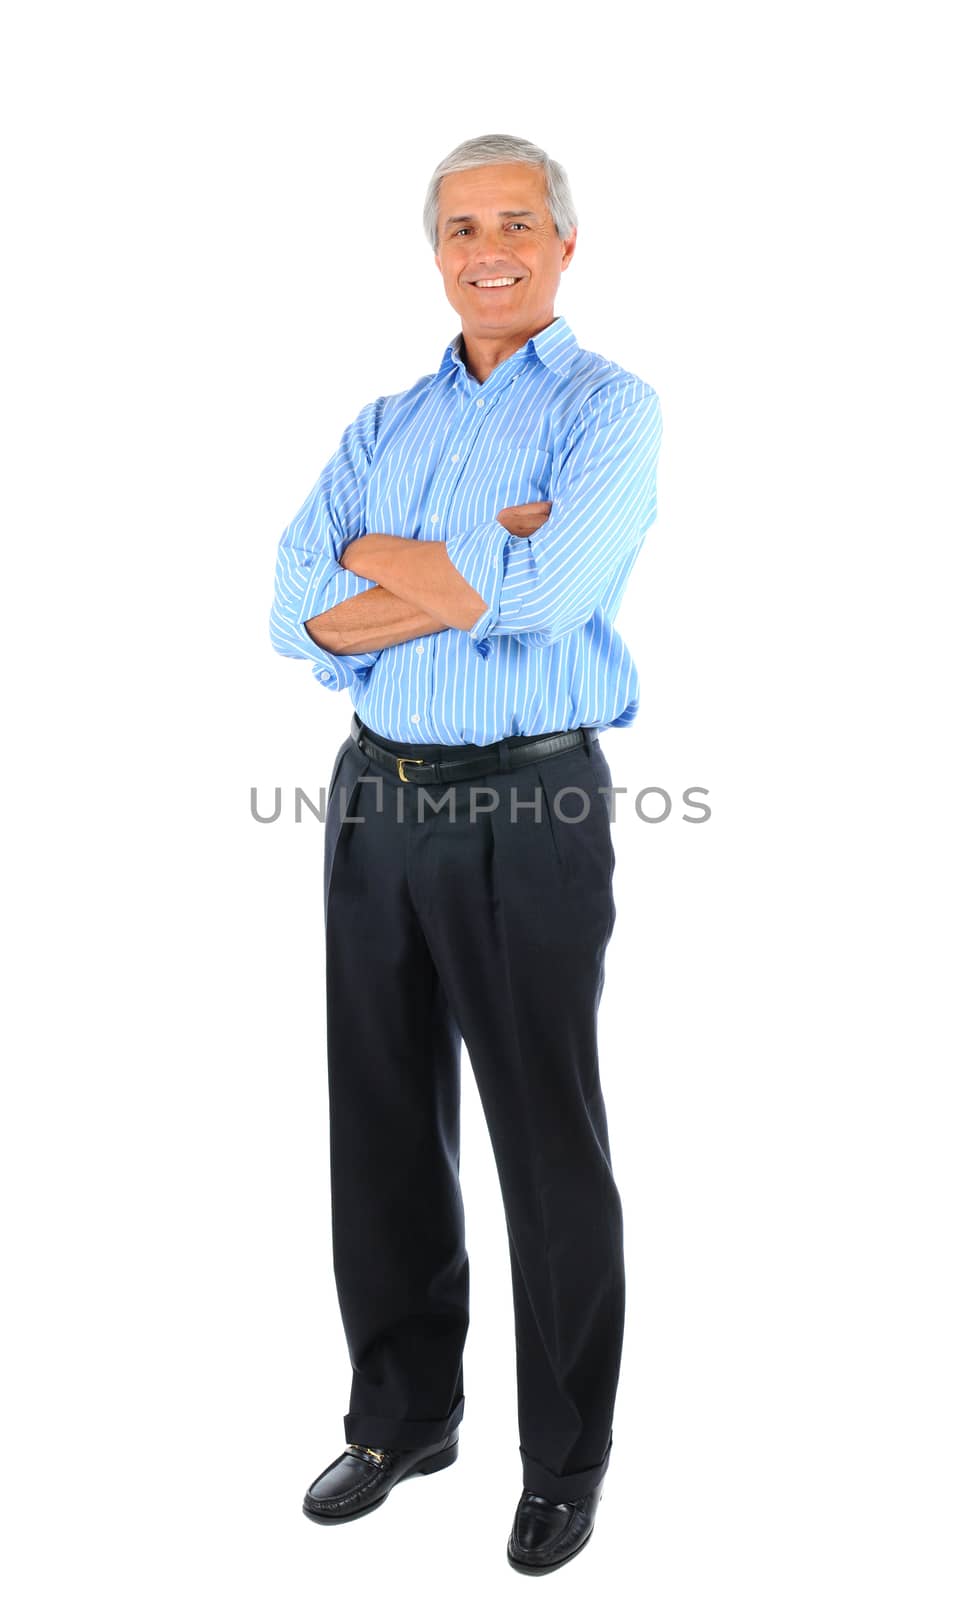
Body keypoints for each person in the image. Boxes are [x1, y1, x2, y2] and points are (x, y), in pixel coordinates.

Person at [269, 131, 663, 1575]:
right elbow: (287, 605)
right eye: (457, 227)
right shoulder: (384, 421)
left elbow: (552, 597)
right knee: (375, 1116)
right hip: (374, 794)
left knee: (543, 1139)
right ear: (433, 252)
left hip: (530, 807)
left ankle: (564, 1456)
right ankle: (401, 1413)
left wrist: (393, 563)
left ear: (563, 245)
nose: (484, 247)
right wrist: (461, 574)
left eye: (513, 221)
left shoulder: (610, 412)